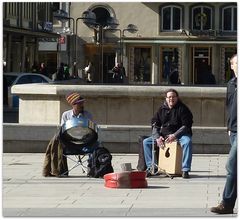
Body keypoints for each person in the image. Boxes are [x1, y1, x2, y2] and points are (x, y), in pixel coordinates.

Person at [143, 88, 193, 178]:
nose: (171, 99)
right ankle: (151, 167)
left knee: (187, 142)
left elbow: (186, 125)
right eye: (169, 97)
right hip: (164, 135)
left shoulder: (183, 109)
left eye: (173, 97)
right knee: (146, 142)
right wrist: (158, 137)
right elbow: (154, 124)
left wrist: (175, 135)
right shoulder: (161, 109)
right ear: (166, 98)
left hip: (180, 135)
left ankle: (185, 169)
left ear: (177, 98)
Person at [42, 92, 95, 177]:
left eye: (82, 103)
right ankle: (58, 169)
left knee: (98, 144)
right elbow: (62, 130)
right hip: (70, 142)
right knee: (56, 139)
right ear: (73, 105)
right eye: (79, 103)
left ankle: (93, 169)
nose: (82, 105)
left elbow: (92, 130)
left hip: (85, 142)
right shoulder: (66, 115)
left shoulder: (88, 115)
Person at [210, 54, 237, 214]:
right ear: (232, 66)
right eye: (236, 63)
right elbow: (229, 106)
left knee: (232, 166)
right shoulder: (231, 84)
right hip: (233, 130)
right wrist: (229, 127)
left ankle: (226, 203)